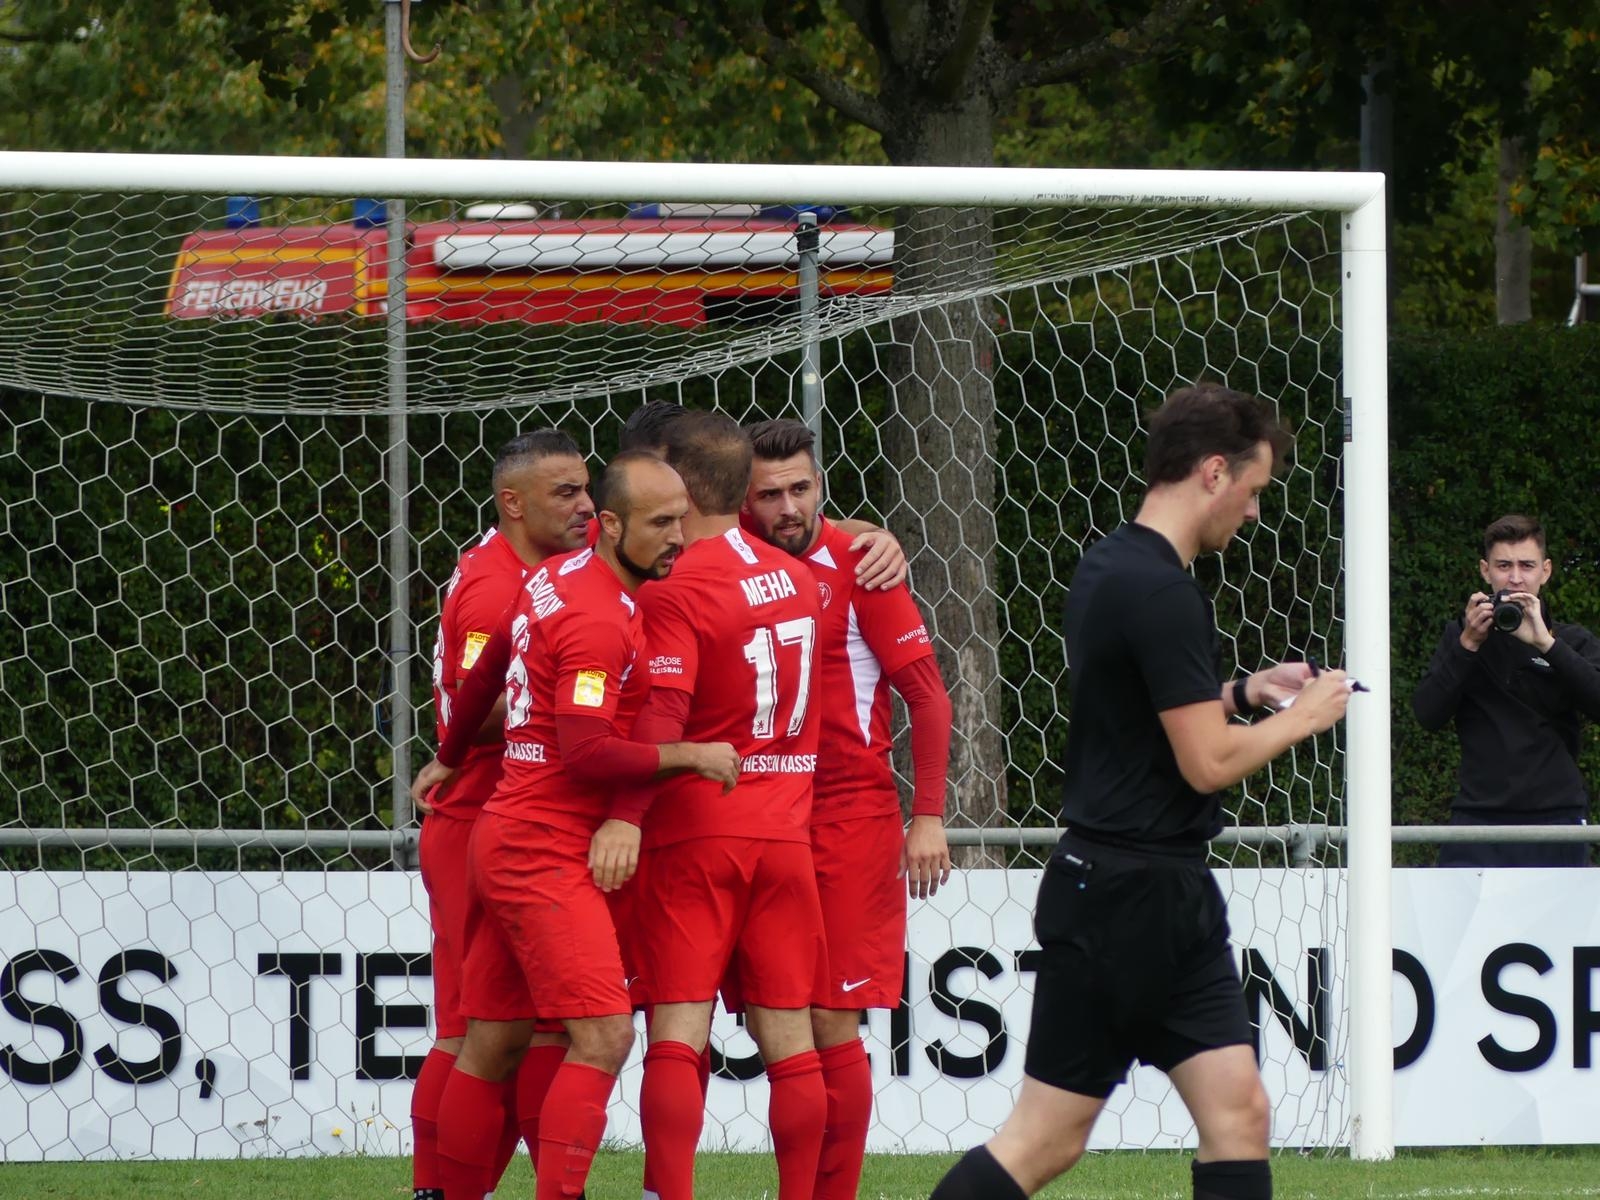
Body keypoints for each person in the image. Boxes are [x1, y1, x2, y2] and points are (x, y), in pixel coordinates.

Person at [928, 384, 1355, 1200]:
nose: (1256, 512)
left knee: (1240, 1113)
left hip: (1161, 892)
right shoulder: (1160, 590)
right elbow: (1206, 765)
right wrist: (1307, 715)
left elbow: (1140, 720)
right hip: (1121, 898)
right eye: (1256, 490)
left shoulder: (1115, 562)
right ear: (1214, 471)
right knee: (1043, 1142)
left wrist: (1242, 692)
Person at [413, 450, 741, 1200]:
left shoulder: (549, 580)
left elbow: (489, 670)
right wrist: (688, 753)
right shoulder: (598, 618)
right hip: (544, 848)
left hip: (504, 830)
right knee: (604, 1036)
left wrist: (451, 754)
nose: (677, 538)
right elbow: (587, 750)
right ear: (614, 525)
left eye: (682, 520)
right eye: (660, 523)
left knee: (491, 1040)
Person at [608, 411, 829, 1200]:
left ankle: (668, 1192)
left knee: (677, 1027)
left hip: (700, 831)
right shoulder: (799, 577)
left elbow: (664, 719)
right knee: (791, 1039)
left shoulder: (680, 590)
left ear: (684, 484)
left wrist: (624, 817)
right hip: (785, 836)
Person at [742, 417, 954, 1200]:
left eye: (801, 488)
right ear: (743, 498)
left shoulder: (862, 563)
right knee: (755, 1023)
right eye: (770, 494)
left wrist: (925, 815)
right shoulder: (722, 555)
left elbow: (928, 700)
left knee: (831, 1021)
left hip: (846, 820)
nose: (787, 507)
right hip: (753, 816)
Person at [411, 428, 595, 1200]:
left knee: (530, 1027)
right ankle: (440, 1190)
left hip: (511, 821)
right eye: (566, 493)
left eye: (588, 489)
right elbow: (474, 706)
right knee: (478, 1030)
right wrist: (579, 705)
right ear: (512, 503)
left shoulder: (544, 572)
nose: (587, 505)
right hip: (479, 824)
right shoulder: (494, 586)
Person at [1411, 513, 1600, 867]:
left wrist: (1547, 645)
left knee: (1562, 925)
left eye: (1526, 565)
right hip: (1478, 820)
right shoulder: (1461, 635)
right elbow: (1427, 714)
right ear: (1486, 571)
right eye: (1504, 565)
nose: (1515, 578)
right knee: (1456, 925)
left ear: (1545, 571)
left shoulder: (1571, 640)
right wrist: (1468, 644)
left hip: (1557, 819)